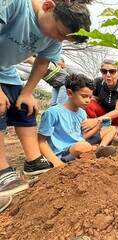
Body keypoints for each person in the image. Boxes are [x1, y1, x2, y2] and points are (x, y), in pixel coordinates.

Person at [0, 0, 92, 196]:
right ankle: (2, 170)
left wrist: (27, 92)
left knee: (25, 108)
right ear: (49, 7)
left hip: (6, 70)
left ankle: (33, 161)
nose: (59, 40)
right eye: (59, 33)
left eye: (64, 39)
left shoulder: (55, 38)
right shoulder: (14, 5)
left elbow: (42, 62)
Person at [38, 74, 117, 167]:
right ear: (70, 93)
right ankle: (95, 150)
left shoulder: (82, 113)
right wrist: (56, 163)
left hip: (80, 143)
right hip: (66, 151)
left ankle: (98, 149)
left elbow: (82, 136)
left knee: (111, 129)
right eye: (84, 96)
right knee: (82, 146)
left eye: (90, 97)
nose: (88, 100)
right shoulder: (52, 113)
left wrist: (98, 127)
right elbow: (41, 141)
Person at [85, 60, 118, 139]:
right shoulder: (98, 82)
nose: (108, 74)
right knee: (89, 104)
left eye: (112, 71)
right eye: (104, 71)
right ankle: (98, 131)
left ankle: (117, 135)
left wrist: (96, 120)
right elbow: (93, 98)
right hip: (103, 113)